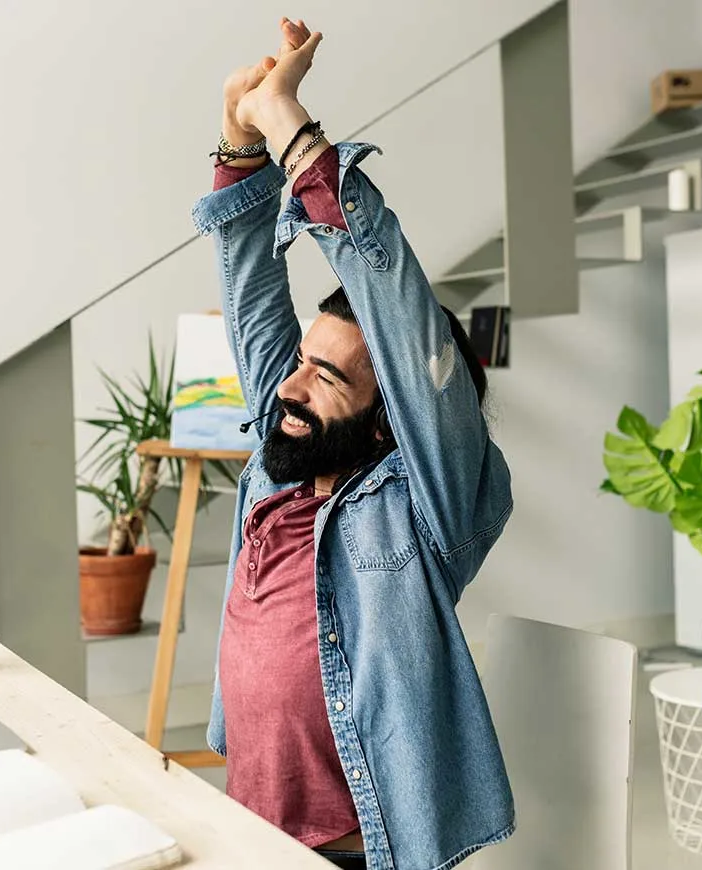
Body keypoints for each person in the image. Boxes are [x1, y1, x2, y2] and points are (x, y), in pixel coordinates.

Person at [190, 19, 515, 870]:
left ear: (386, 417)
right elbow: (255, 294)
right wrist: (240, 132)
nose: (290, 391)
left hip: (360, 851)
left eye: (328, 380)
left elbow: (407, 335)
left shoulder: (426, 505)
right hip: (250, 826)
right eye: (303, 365)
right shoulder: (282, 457)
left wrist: (293, 127)